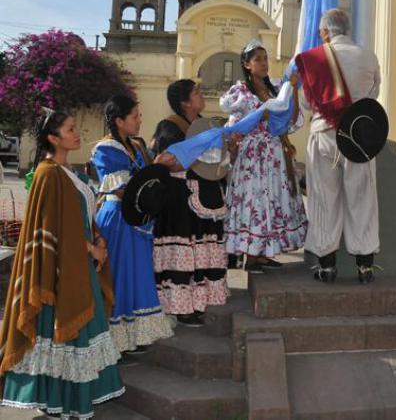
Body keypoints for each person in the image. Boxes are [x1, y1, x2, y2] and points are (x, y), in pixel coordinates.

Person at [1, 110, 124, 417]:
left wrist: (98, 239)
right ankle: (56, 401)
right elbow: (52, 229)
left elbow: (82, 216)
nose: (76, 132)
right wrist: (91, 250)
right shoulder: (46, 173)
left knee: (84, 334)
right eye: (69, 129)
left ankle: (72, 400)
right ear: (54, 138)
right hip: (58, 272)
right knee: (61, 331)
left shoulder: (72, 172)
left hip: (80, 265)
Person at [299, 9, 382, 283]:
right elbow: (373, 96)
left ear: (325, 32)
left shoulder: (313, 60)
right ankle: (365, 265)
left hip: (324, 134)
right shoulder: (368, 57)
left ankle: (326, 265)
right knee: (362, 198)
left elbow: (306, 103)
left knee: (324, 198)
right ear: (347, 29)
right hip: (358, 138)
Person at [93, 95, 173, 354]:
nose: (140, 120)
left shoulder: (137, 145)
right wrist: (154, 170)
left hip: (138, 221)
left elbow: (148, 183)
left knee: (136, 274)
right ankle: (115, 340)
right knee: (118, 275)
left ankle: (131, 336)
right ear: (119, 120)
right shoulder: (105, 149)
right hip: (118, 219)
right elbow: (121, 191)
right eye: (135, 116)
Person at [220, 40, 306, 272]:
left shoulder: (277, 89)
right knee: (254, 201)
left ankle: (264, 252)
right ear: (247, 65)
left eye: (265, 58)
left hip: (275, 154)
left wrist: (295, 92)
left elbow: (291, 120)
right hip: (252, 156)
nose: (264, 63)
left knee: (272, 200)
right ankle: (250, 254)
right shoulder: (241, 92)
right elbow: (235, 125)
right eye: (258, 59)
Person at [149, 80, 229, 326]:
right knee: (185, 252)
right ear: (184, 101)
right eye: (196, 93)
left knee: (202, 251)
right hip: (180, 201)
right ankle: (182, 309)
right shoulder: (169, 127)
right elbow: (167, 161)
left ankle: (200, 302)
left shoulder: (204, 125)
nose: (201, 95)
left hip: (204, 197)